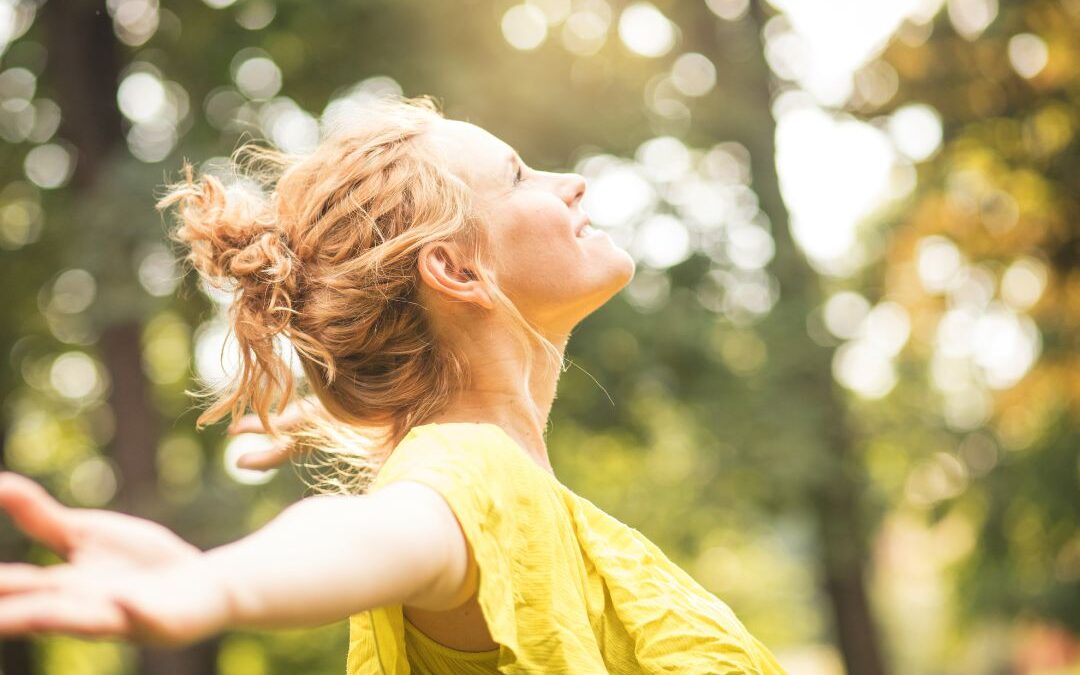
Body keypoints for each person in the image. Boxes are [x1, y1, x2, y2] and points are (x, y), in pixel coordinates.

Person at [0, 95, 786, 674]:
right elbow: (374, 532)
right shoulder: (470, 474)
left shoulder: (507, 489)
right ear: (455, 268)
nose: (570, 181)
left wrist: (312, 418)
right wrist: (217, 582)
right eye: (518, 177)